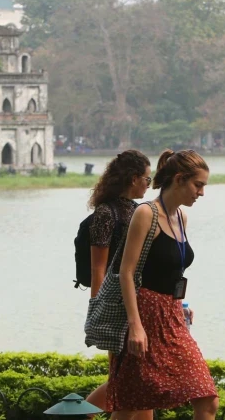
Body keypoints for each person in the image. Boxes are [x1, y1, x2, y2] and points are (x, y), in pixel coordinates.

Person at [107, 149, 217, 420]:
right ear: (179, 179)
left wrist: (180, 304)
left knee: (207, 397)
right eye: (198, 185)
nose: (201, 193)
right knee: (130, 403)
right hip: (143, 314)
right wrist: (135, 326)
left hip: (172, 315)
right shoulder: (146, 213)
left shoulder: (181, 218)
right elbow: (126, 272)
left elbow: (171, 269)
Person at [83, 150, 152, 417]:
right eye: (147, 179)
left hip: (139, 303)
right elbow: (97, 268)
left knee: (139, 382)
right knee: (124, 380)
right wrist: (99, 309)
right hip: (115, 307)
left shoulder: (139, 211)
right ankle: (80, 414)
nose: (149, 185)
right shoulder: (106, 213)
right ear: (134, 178)